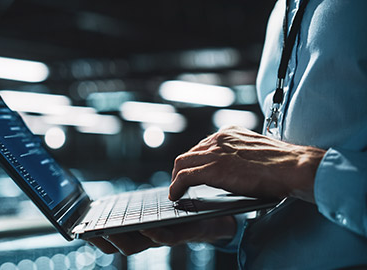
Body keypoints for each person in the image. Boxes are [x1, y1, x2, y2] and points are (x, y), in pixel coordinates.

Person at [89, 0, 367, 268]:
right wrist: (218, 225)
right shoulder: (281, 13)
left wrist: (298, 166)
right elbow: (303, 214)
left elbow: (291, 172)